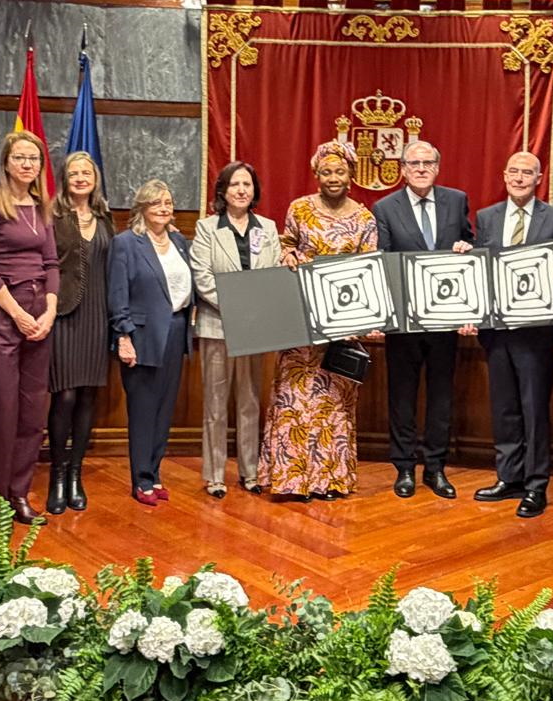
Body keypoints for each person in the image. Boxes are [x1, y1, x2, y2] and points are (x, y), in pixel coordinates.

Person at [257, 141, 379, 500]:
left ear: (351, 175)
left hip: (341, 324)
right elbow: (285, 245)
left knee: (332, 402)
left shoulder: (364, 218)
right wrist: (290, 255)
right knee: (294, 399)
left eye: (340, 171)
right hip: (300, 320)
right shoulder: (300, 208)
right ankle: (291, 480)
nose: (333, 178)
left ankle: (329, 480)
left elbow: (369, 270)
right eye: (326, 172)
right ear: (317, 175)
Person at [468, 151, 553, 519]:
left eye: (527, 172)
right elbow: (478, 271)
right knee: (505, 408)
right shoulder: (487, 218)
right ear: (504, 175)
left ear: (539, 178)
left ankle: (535, 484)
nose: (519, 177)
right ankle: (508, 477)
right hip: (496, 331)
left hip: (536, 333)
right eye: (513, 171)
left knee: (533, 409)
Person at [372, 140, 474, 500]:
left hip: (445, 319)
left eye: (427, 162)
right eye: (413, 163)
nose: (420, 168)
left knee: (441, 396)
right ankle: (403, 468)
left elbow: (469, 248)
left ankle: (435, 468)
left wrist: (466, 247)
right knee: (401, 395)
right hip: (404, 321)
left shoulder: (456, 200)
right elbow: (381, 261)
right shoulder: (384, 207)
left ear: (437, 167)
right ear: (402, 169)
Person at [0, 130, 58, 524]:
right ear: (6, 162)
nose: (27, 164)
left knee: (33, 413)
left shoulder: (42, 208)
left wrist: (49, 312)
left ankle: (19, 493)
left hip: (40, 316)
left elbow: (52, 265)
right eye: (20, 157)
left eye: (34, 159)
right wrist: (16, 314)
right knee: (2, 412)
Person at [190, 161, 281, 498]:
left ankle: (250, 471)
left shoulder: (268, 228)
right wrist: (238, 308)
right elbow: (202, 278)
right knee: (215, 403)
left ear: (254, 190)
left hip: (255, 328)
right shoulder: (207, 228)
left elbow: (272, 274)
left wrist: (254, 311)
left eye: (247, 184)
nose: (242, 190)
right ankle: (214, 475)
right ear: (223, 192)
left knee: (250, 400)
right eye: (235, 185)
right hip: (218, 325)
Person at [108, 179, 193, 506]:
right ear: (142, 207)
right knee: (143, 410)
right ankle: (140, 479)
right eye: (156, 203)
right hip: (141, 336)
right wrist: (123, 336)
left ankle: (155, 473)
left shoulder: (179, 241)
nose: (164, 208)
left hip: (175, 331)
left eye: (168, 202)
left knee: (163, 410)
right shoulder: (126, 243)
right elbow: (118, 294)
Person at [44, 151, 113, 515]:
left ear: (95, 179)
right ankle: (56, 475)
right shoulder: (52, 216)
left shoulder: (104, 217)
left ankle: (75, 475)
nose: (81, 178)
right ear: (64, 178)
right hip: (63, 315)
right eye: (74, 173)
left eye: (87, 172)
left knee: (87, 397)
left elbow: (114, 267)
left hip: (97, 316)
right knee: (65, 396)